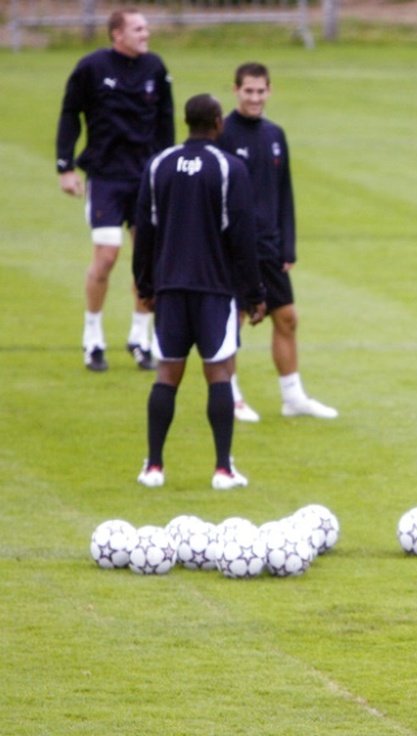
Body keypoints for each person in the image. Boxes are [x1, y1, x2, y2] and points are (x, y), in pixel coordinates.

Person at [132, 94, 266, 491]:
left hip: (170, 288)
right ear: (218, 123)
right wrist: (254, 293)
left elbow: (145, 232)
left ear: (185, 122)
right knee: (219, 373)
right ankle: (223, 469)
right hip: (215, 290)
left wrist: (145, 285)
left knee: (167, 374)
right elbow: (243, 236)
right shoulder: (230, 168)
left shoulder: (159, 165)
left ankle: (153, 467)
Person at [216, 62, 338, 422]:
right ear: (236, 90)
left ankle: (292, 396)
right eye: (248, 91)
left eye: (260, 91)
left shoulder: (274, 134)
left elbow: (283, 192)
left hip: (269, 247)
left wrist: (288, 245)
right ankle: (231, 396)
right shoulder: (223, 133)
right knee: (233, 320)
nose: (254, 97)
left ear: (269, 91)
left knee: (286, 317)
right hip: (234, 248)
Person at [56, 7, 174, 372]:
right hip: (106, 177)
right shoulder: (91, 68)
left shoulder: (156, 68)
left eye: (147, 27)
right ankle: (93, 336)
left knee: (148, 260)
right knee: (106, 256)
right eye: (139, 28)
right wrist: (66, 166)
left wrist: (168, 171)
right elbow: (69, 114)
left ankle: (140, 337)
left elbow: (166, 123)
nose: (146, 33)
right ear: (117, 34)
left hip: (146, 179)